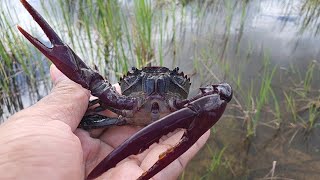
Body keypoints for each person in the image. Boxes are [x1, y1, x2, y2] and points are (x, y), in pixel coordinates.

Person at [0, 65, 210, 180]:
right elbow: (95, 102)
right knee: (82, 119)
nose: (155, 85)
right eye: (142, 79)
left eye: (169, 79)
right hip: (118, 121)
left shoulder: (193, 107)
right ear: (131, 81)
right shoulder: (114, 106)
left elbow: (218, 98)